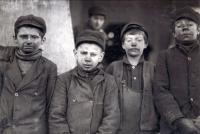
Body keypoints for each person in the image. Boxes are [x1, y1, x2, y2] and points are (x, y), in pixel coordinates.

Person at [49, 30, 120, 134]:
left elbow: (112, 117)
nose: (88, 58)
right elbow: (56, 116)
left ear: (101, 57)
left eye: (93, 54)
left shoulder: (109, 82)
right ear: (75, 53)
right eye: (83, 53)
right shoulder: (63, 80)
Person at [0, 14, 57, 134]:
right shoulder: (4, 62)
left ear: (43, 40)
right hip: (6, 129)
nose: (29, 41)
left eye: (34, 37)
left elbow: (50, 105)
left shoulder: (49, 67)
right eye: (23, 36)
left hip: (34, 130)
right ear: (15, 38)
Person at [154, 7, 200, 134]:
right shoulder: (164, 56)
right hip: (173, 127)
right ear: (173, 33)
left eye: (190, 25)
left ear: (199, 30)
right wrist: (177, 119)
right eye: (180, 26)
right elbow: (160, 91)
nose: (185, 28)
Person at [106, 23, 159, 134]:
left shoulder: (153, 69)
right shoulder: (113, 68)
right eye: (129, 40)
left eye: (139, 40)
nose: (134, 44)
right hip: (119, 130)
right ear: (123, 45)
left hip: (147, 130)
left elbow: (160, 100)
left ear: (145, 44)